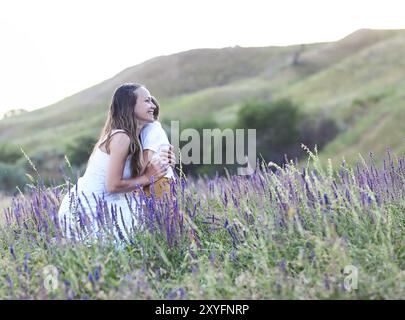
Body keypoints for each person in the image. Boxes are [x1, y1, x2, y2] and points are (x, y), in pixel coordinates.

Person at [58, 83, 175, 241]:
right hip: (87, 210)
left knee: (160, 220)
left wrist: (167, 162)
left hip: (107, 204)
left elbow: (141, 173)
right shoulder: (121, 137)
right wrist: (148, 177)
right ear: (130, 106)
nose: (153, 105)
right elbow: (112, 186)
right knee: (155, 225)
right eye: (147, 101)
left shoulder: (133, 139)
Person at [140, 96, 176, 200]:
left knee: (163, 212)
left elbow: (148, 154)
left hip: (158, 180)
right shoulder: (155, 128)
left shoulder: (150, 128)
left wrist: (137, 177)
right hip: (160, 178)